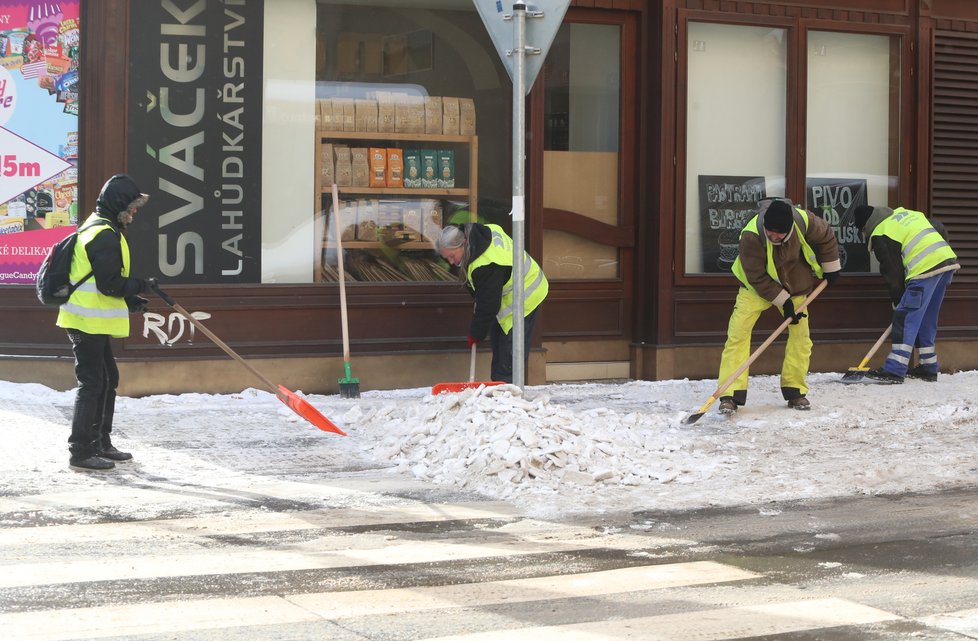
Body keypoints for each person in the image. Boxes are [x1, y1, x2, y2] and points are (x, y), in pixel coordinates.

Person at [57, 174, 157, 471]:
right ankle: (80, 450)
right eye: (131, 205)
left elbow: (103, 281)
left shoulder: (102, 228)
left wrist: (129, 300)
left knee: (106, 380)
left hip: (92, 318)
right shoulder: (103, 234)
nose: (134, 211)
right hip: (85, 320)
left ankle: (100, 442)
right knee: (92, 383)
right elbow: (109, 284)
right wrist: (141, 285)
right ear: (117, 204)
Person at [717, 198, 841, 414]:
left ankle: (795, 390)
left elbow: (826, 236)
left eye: (779, 233)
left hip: (795, 285)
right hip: (754, 288)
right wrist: (784, 302)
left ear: (790, 228)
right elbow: (756, 276)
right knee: (737, 335)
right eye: (770, 231)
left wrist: (832, 267)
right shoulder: (751, 235)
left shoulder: (804, 221)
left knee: (801, 338)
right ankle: (729, 394)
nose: (773, 236)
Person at [851, 205, 959, 384]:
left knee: (904, 317)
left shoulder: (881, 232)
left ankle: (894, 369)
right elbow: (937, 226)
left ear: (865, 226)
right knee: (926, 318)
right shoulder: (905, 213)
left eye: (862, 230)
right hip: (946, 263)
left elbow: (893, 272)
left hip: (924, 270)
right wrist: (940, 254)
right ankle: (928, 366)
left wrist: (898, 301)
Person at [435, 222, 549, 384]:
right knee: (498, 343)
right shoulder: (483, 233)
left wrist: (476, 333)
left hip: (526, 294)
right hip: (507, 291)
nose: (452, 263)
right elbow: (484, 295)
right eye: (446, 258)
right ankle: (499, 385)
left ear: (464, 243)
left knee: (509, 354)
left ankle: (507, 394)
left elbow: (488, 305)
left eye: (452, 256)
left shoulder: (486, 265)